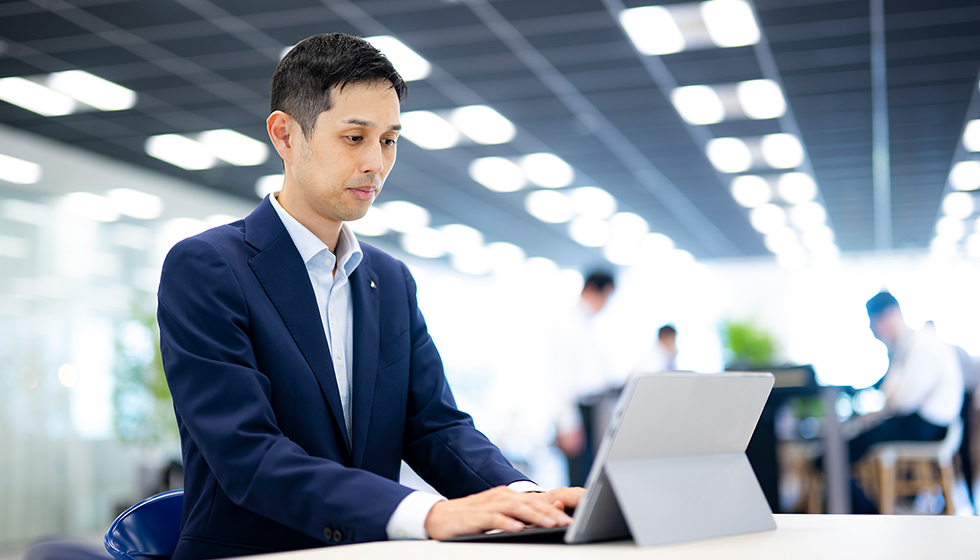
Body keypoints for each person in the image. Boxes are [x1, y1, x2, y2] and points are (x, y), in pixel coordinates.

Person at [157, 33, 581, 560]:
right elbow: (248, 454)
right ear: (285, 135)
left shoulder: (389, 279)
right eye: (354, 137)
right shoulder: (209, 267)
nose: (376, 163)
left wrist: (527, 500)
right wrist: (426, 514)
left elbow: (434, 427)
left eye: (389, 140)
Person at [849, 292, 964, 465]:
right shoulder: (910, 343)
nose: (873, 330)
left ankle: (829, 470)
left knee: (863, 438)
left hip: (930, 425)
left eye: (873, 323)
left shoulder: (919, 345)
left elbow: (904, 402)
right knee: (865, 434)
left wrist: (881, 412)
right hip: (934, 423)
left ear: (887, 316)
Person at [550, 271, 616, 487]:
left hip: (593, 408)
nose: (606, 305)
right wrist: (568, 422)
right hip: (578, 410)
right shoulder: (567, 323)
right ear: (595, 291)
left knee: (590, 477)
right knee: (579, 479)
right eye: (607, 297)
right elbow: (561, 377)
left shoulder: (587, 323)